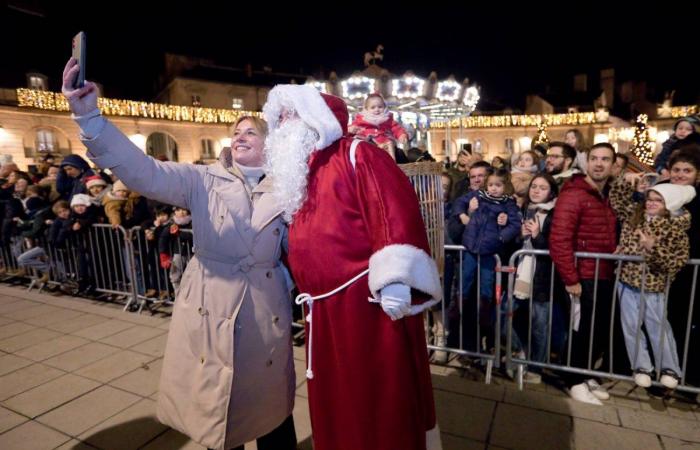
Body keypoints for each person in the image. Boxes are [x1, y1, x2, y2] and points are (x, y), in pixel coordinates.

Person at [61, 57, 296, 450]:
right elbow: (141, 170)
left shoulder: (289, 187)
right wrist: (90, 118)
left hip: (265, 307)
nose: (239, 135)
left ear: (270, 142)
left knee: (270, 409)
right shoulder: (201, 179)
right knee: (220, 408)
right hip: (211, 302)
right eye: (235, 131)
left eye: (250, 131)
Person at [263, 84, 442, 450]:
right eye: (278, 118)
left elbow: (391, 208)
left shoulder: (357, 153)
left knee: (376, 398)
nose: (282, 125)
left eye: (289, 115)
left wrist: (396, 278)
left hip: (365, 304)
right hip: (321, 311)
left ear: (315, 118)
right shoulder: (300, 175)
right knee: (336, 401)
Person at [549, 143, 618, 405]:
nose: (599, 164)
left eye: (605, 159)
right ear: (587, 162)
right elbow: (560, 239)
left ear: (613, 164)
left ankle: (584, 372)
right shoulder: (575, 194)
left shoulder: (604, 194)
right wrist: (571, 278)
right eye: (595, 159)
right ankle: (573, 379)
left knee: (595, 329)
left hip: (602, 273)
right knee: (581, 329)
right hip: (582, 275)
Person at [610, 176, 694, 389]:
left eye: (658, 200)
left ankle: (670, 369)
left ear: (669, 204)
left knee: (658, 327)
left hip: (654, 286)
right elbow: (618, 201)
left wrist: (652, 248)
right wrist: (625, 182)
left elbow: (677, 260)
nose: (651, 203)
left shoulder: (675, 228)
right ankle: (642, 366)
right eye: (649, 198)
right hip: (627, 281)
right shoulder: (635, 217)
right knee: (630, 327)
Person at [348, 93, 409, 160]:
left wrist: (401, 135)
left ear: (384, 107)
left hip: (386, 144)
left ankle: (392, 163)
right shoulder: (361, 119)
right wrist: (350, 129)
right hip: (369, 145)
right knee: (360, 143)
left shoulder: (388, 119)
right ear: (366, 108)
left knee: (395, 149)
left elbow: (396, 128)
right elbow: (352, 127)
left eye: (380, 107)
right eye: (373, 107)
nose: (377, 109)